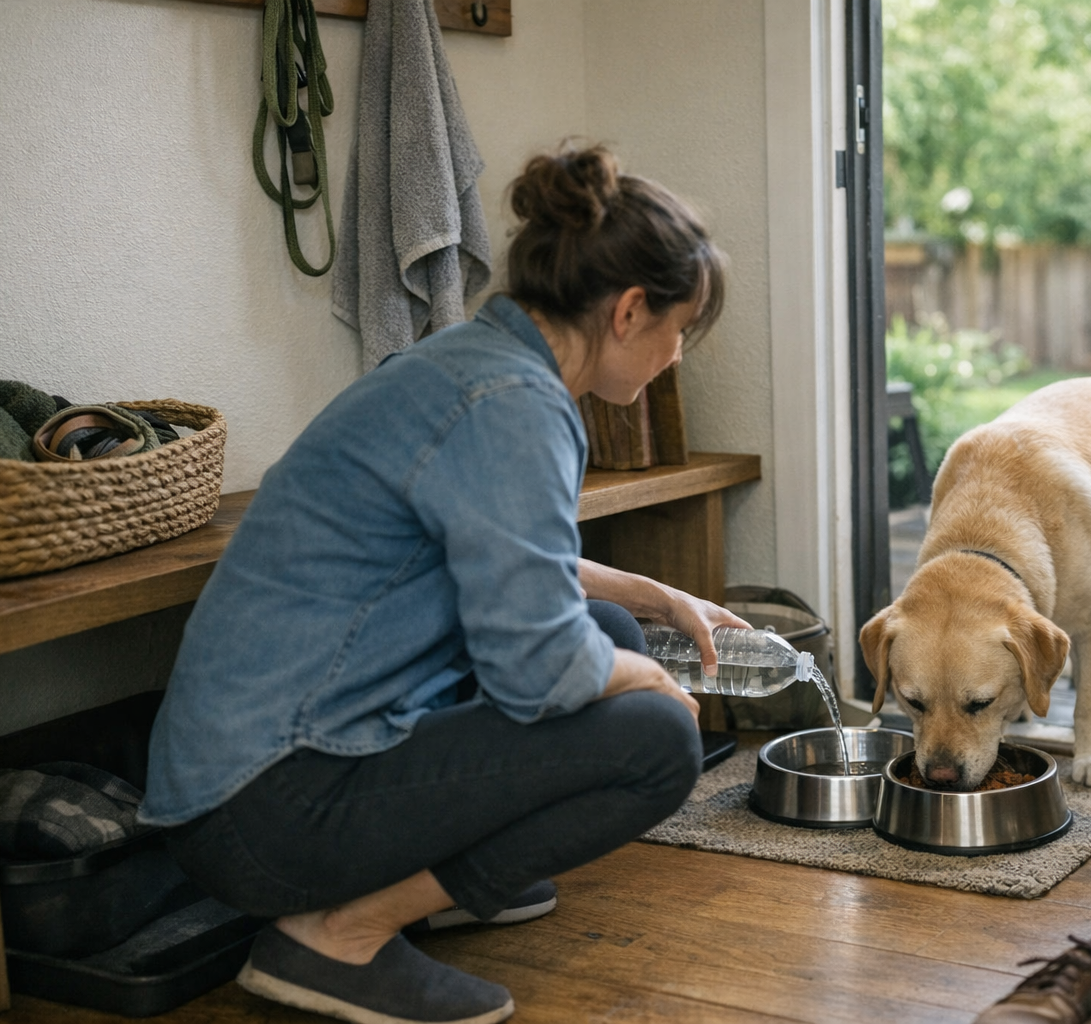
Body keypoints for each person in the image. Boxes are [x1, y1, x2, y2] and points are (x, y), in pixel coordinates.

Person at [137, 144, 747, 1024]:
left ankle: (434, 885)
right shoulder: (516, 406)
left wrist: (654, 597)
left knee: (611, 629)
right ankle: (338, 938)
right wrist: (649, 680)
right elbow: (535, 664)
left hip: (243, 783)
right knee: (653, 736)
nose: (677, 354)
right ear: (627, 311)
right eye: (677, 328)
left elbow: (493, 554)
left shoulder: (469, 363)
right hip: (269, 810)